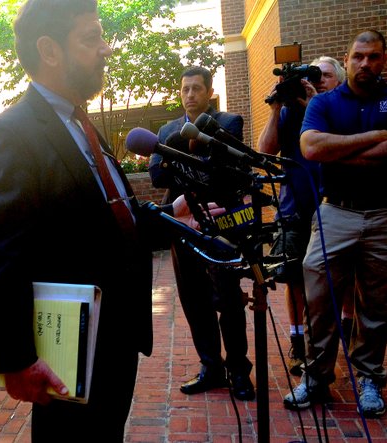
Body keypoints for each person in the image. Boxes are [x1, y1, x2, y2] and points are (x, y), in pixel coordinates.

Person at [0, 1, 198, 440]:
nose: (106, 49)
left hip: (116, 334)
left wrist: (174, 215)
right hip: (69, 347)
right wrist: (16, 359)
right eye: (91, 37)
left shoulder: (81, 124)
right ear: (50, 49)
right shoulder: (12, 132)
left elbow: (113, 215)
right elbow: (4, 253)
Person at [283, 29, 387, 418]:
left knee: (376, 302)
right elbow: (311, 147)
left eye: (373, 57)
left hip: (381, 212)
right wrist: (376, 137)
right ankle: (316, 377)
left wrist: (339, 149)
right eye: (358, 56)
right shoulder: (324, 102)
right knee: (319, 296)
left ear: (383, 60)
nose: (365, 64)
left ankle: (370, 378)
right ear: (347, 60)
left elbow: (327, 149)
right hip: (334, 212)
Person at [148, 66, 255, 401]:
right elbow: (156, 175)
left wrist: (182, 156)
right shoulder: (167, 129)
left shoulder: (227, 123)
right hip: (182, 224)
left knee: (228, 299)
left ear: (209, 92)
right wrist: (188, 148)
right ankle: (211, 367)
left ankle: (239, 370)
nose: (190, 95)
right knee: (194, 300)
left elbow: (225, 173)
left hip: (219, 223)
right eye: (185, 89)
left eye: (196, 88)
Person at [258, 56, 345, 376]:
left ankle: (326, 343)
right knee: (292, 276)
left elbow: (330, 143)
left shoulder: (338, 108)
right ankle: (298, 341)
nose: (318, 80)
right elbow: (266, 151)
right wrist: (275, 108)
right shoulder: (290, 110)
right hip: (294, 205)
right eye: (313, 75)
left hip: (332, 206)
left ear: (338, 80)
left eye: (323, 76)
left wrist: (314, 105)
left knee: (327, 282)